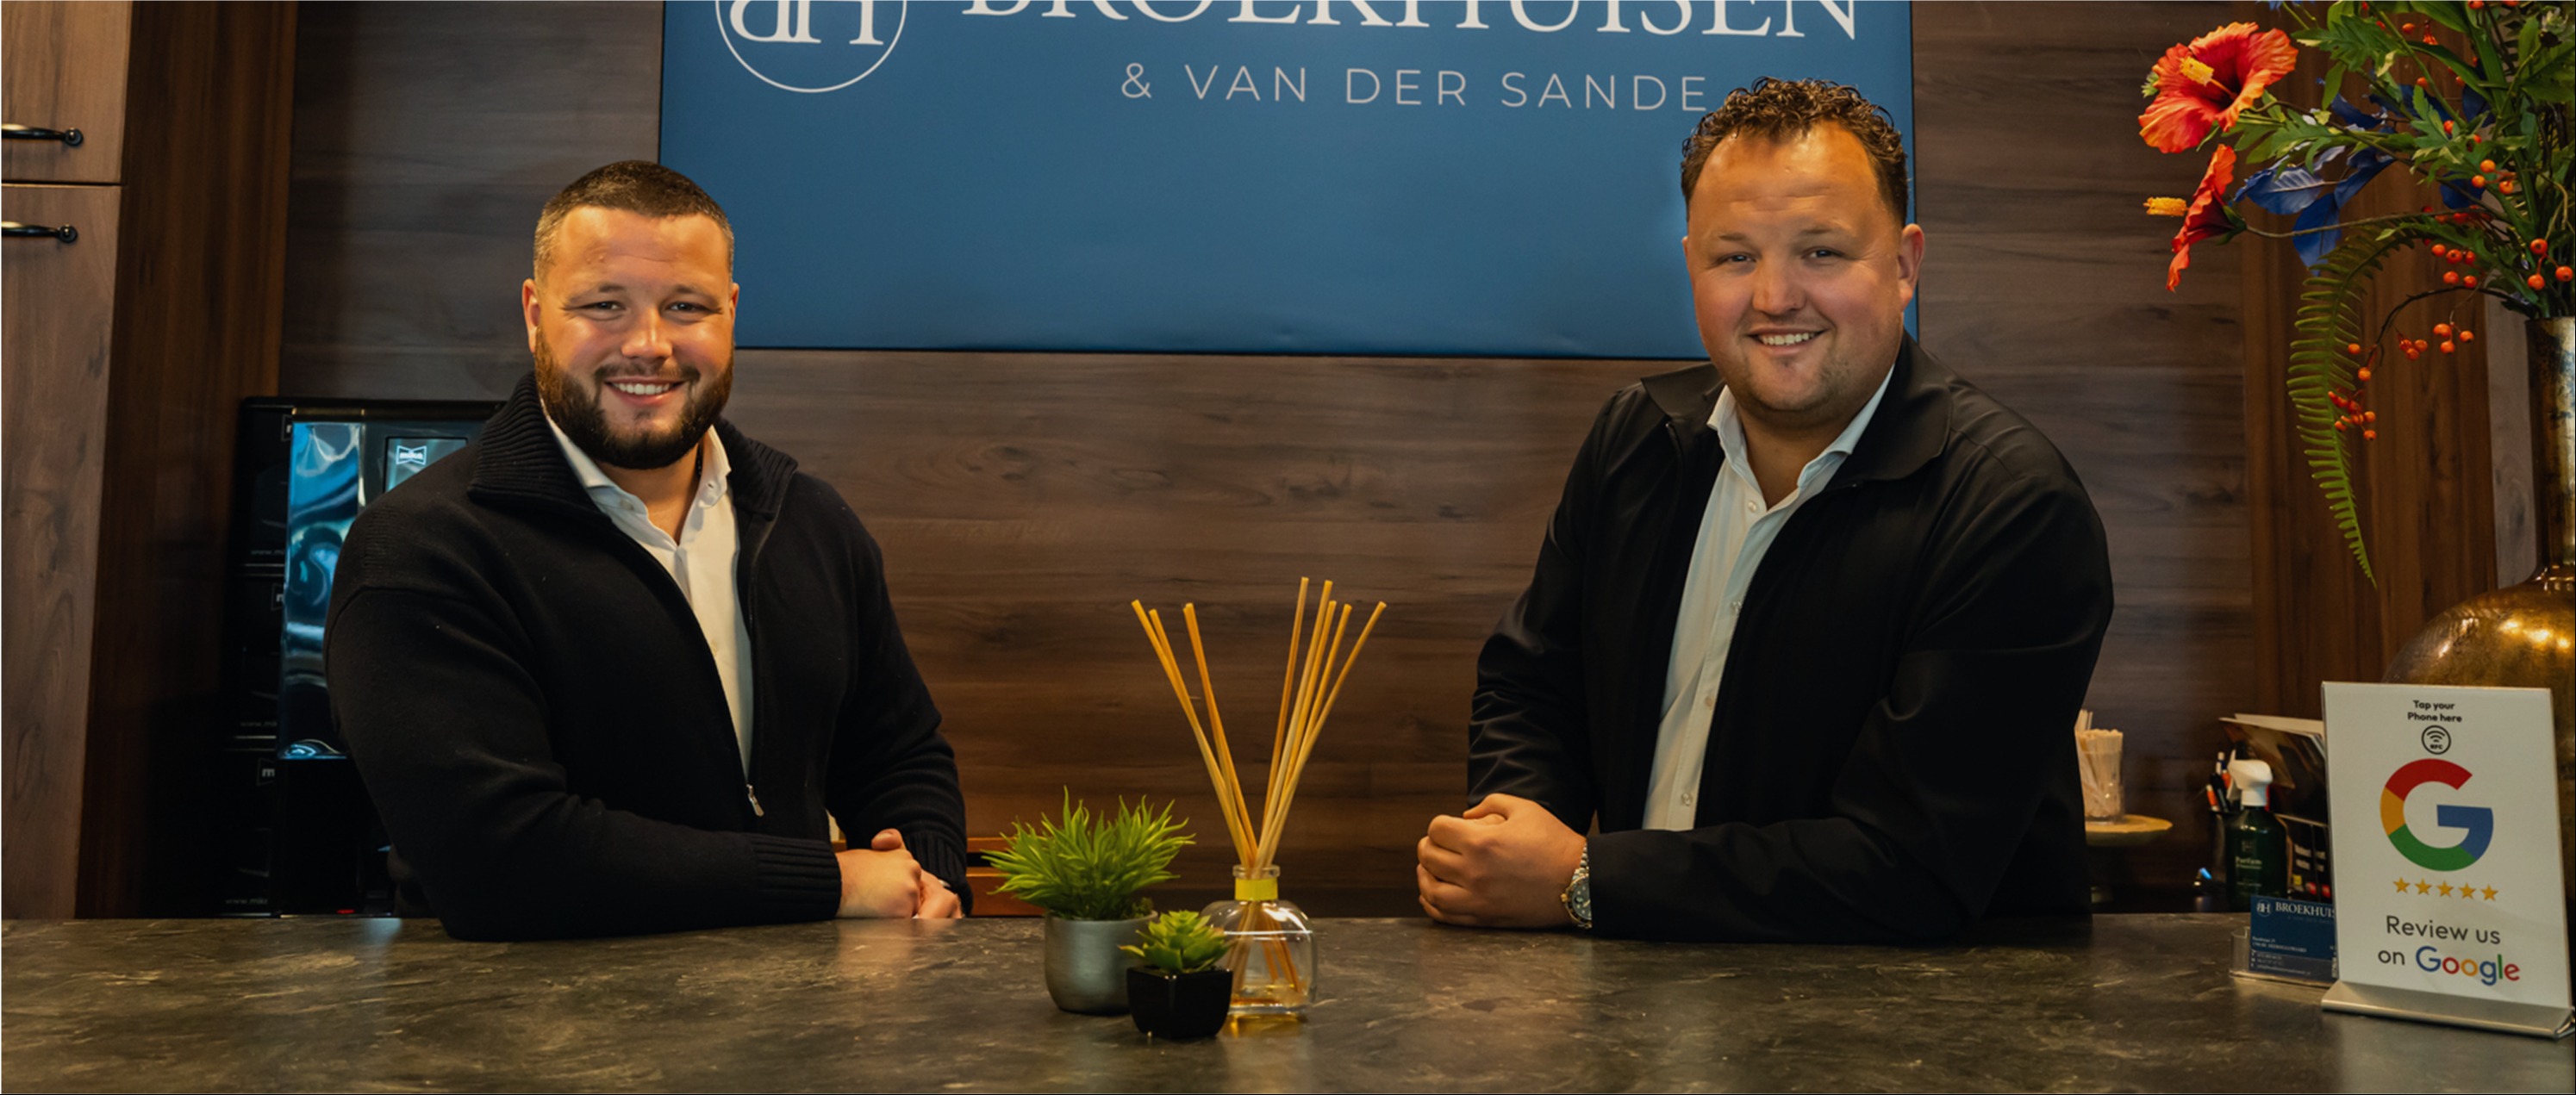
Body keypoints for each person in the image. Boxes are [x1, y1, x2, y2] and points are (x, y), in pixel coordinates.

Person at [1415, 78, 2112, 943]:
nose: (1775, 296)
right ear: (1691, 266)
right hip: (1640, 995)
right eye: (1735, 257)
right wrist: (1514, 834)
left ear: (1903, 266)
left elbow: (1911, 866)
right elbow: (1533, 683)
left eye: (1820, 252)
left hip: (1915, 1016)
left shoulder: (2010, 506)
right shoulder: (1636, 437)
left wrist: (1584, 880)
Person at [327, 161, 969, 940]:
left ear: (731, 313)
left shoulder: (811, 521)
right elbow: (498, 860)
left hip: (795, 1010)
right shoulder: (421, 549)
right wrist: (828, 881)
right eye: (604, 305)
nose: (649, 345)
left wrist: (927, 884)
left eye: (685, 306)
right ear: (535, 315)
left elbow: (900, 755)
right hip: (515, 1014)